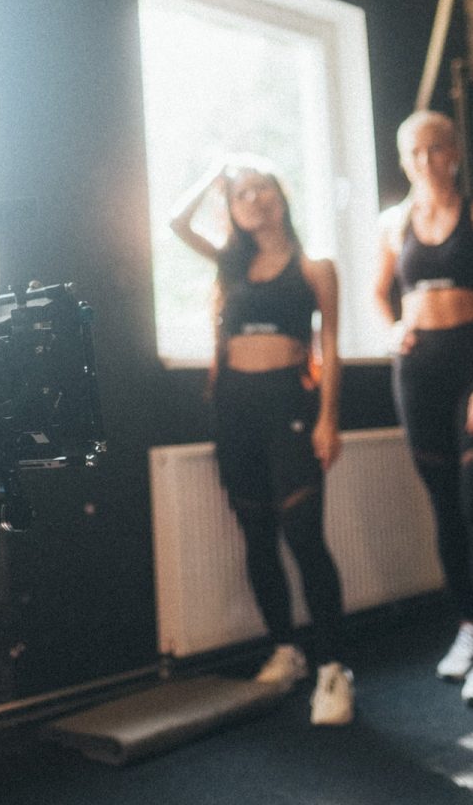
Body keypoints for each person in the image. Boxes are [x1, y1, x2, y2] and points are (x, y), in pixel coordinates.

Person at [170, 154, 354, 726]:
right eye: (241, 193)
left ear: (281, 195)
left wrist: (329, 420)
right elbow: (177, 222)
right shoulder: (230, 264)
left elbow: (331, 348)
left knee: (304, 536)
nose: (253, 198)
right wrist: (214, 173)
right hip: (234, 408)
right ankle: (286, 649)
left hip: (289, 407)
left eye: (262, 187)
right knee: (257, 535)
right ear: (231, 206)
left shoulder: (315, 267)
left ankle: (333, 669)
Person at [374, 109, 473, 703]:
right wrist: (391, 328)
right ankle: (468, 627)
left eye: (435, 148)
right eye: (413, 151)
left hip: (468, 362)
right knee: (444, 507)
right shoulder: (394, 222)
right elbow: (377, 290)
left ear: (454, 152)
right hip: (418, 371)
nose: (425, 160)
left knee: (472, 500)